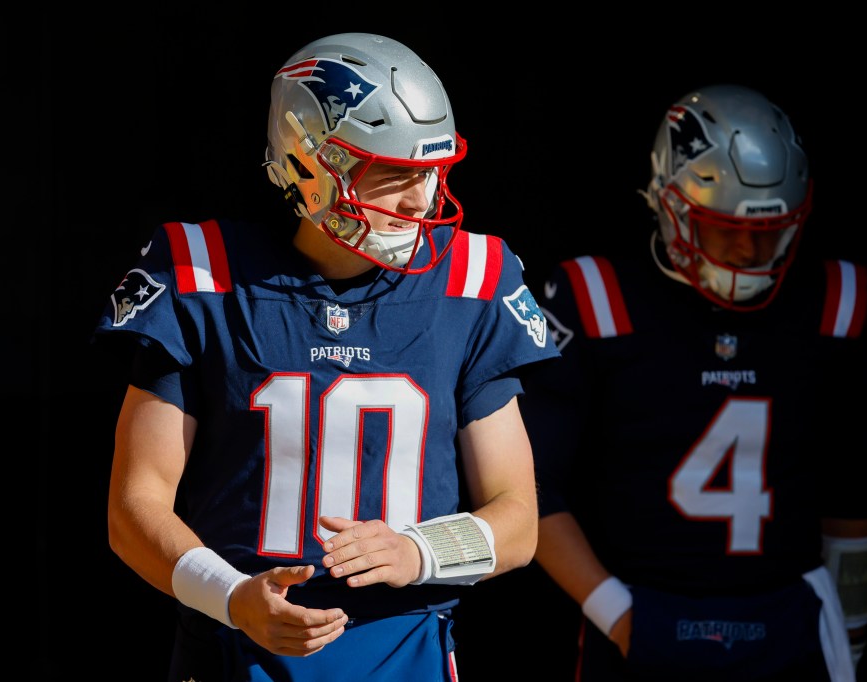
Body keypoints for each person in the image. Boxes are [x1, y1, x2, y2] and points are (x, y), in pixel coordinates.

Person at [92, 32, 559, 682]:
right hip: (235, 650)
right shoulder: (202, 274)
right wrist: (230, 598)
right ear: (309, 161)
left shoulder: (471, 281)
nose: (420, 200)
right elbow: (133, 505)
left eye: (431, 172)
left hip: (406, 653)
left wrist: (416, 549)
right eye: (393, 172)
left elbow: (518, 519)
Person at [521, 84, 867, 681]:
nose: (750, 248)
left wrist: (849, 631)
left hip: (791, 609)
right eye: (725, 228)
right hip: (642, 605)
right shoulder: (598, 297)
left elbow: (855, 484)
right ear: (670, 205)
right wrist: (616, 613)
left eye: (771, 231)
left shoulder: (836, 300)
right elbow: (526, 483)